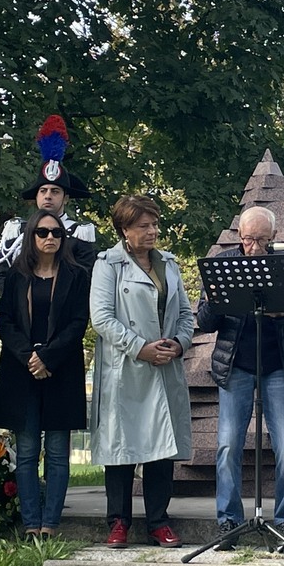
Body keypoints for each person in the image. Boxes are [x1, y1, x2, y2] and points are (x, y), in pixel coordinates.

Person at [195, 205, 284, 546]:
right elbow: (204, 323)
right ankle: (229, 522)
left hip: (278, 367)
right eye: (248, 239)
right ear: (239, 236)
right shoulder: (223, 264)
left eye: (261, 240)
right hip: (236, 367)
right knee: (228, 444)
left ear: (274, 237)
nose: (254, 247)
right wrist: (219, 302)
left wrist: (283, 314)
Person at [90, 194, 194, 547]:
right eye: (144, 226)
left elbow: (185, 314)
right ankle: (119, 521)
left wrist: (178, 344)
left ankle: (158, 521)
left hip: (165, 365)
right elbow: (102, 317)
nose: (153, 231)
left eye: (155, 224)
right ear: (124, 229)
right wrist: (140, 348)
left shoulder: (169, 264)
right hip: (127, 369)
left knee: (161, 448)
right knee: (122, 447)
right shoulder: (108, 264)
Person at [0, 206, 90, 540]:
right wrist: (30, 357)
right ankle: (31, 523)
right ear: (31, 235)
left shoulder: (77, 275)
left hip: (61, 369)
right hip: (21, 371)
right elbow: (4, 320)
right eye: (43, 232)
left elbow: (79, 322)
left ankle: (51, 525)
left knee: (59, 452)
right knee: (28, 451)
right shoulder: (16, 275)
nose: (50, 238)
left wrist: (48, 357)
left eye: (56, 233)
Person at [0, 115, 100, 267]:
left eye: (55, 191)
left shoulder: (78, 234)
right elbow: (2, 275)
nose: (48, 196)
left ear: (66, 198)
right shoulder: (18, 231)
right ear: (36, 196)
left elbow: (85, 278)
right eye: (43, 191)